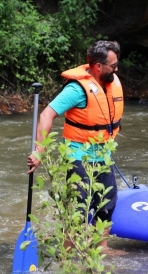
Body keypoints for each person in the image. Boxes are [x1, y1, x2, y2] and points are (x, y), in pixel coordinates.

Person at [27, 40, 124, 253]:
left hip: (103, 155)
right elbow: (46, 115)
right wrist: (40, 150)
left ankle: (101, 249)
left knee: (107, 205)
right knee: (79, 210)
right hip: (79, 156)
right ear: (98, 66)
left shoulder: (110, 82)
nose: (117, 69)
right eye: (113, 65)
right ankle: (68, 255)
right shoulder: (76, 89)